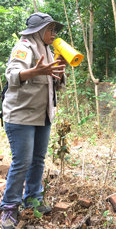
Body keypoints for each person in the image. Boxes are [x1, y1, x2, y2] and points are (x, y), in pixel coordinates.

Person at [1, 12, 67, 228]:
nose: (54, 33)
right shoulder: (25, 46)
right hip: (21, 115)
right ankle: (9, 207)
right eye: (51, 29)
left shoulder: (49, 50)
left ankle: (33, 199)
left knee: (38, 159)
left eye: (55, 30)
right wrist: (34, 71)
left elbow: (54, 84)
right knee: (22, 162)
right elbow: (12, 74)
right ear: (39, 31)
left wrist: (58, 70)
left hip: (42, 115)